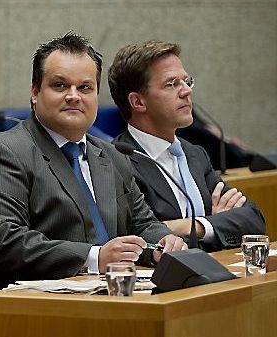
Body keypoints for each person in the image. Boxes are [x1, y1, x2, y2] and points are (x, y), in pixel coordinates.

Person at [0, 32, 185, 290]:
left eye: (85, 87)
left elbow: (142, 224)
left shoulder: (112, 156)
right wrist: (95, 257)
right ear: (35, 91)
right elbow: (1, 241)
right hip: (25, 308)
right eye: (60, 85)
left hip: (107, 296)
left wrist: (163, 243)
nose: (74, 96)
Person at [109, 41, 265, 250]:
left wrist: (194, 225)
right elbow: (142, 235)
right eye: (171, 84)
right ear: (138, 102)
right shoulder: (117, 160)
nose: (186, 92)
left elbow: (253, 219)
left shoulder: (194, 154)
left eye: (187, 81)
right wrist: (215, 223)